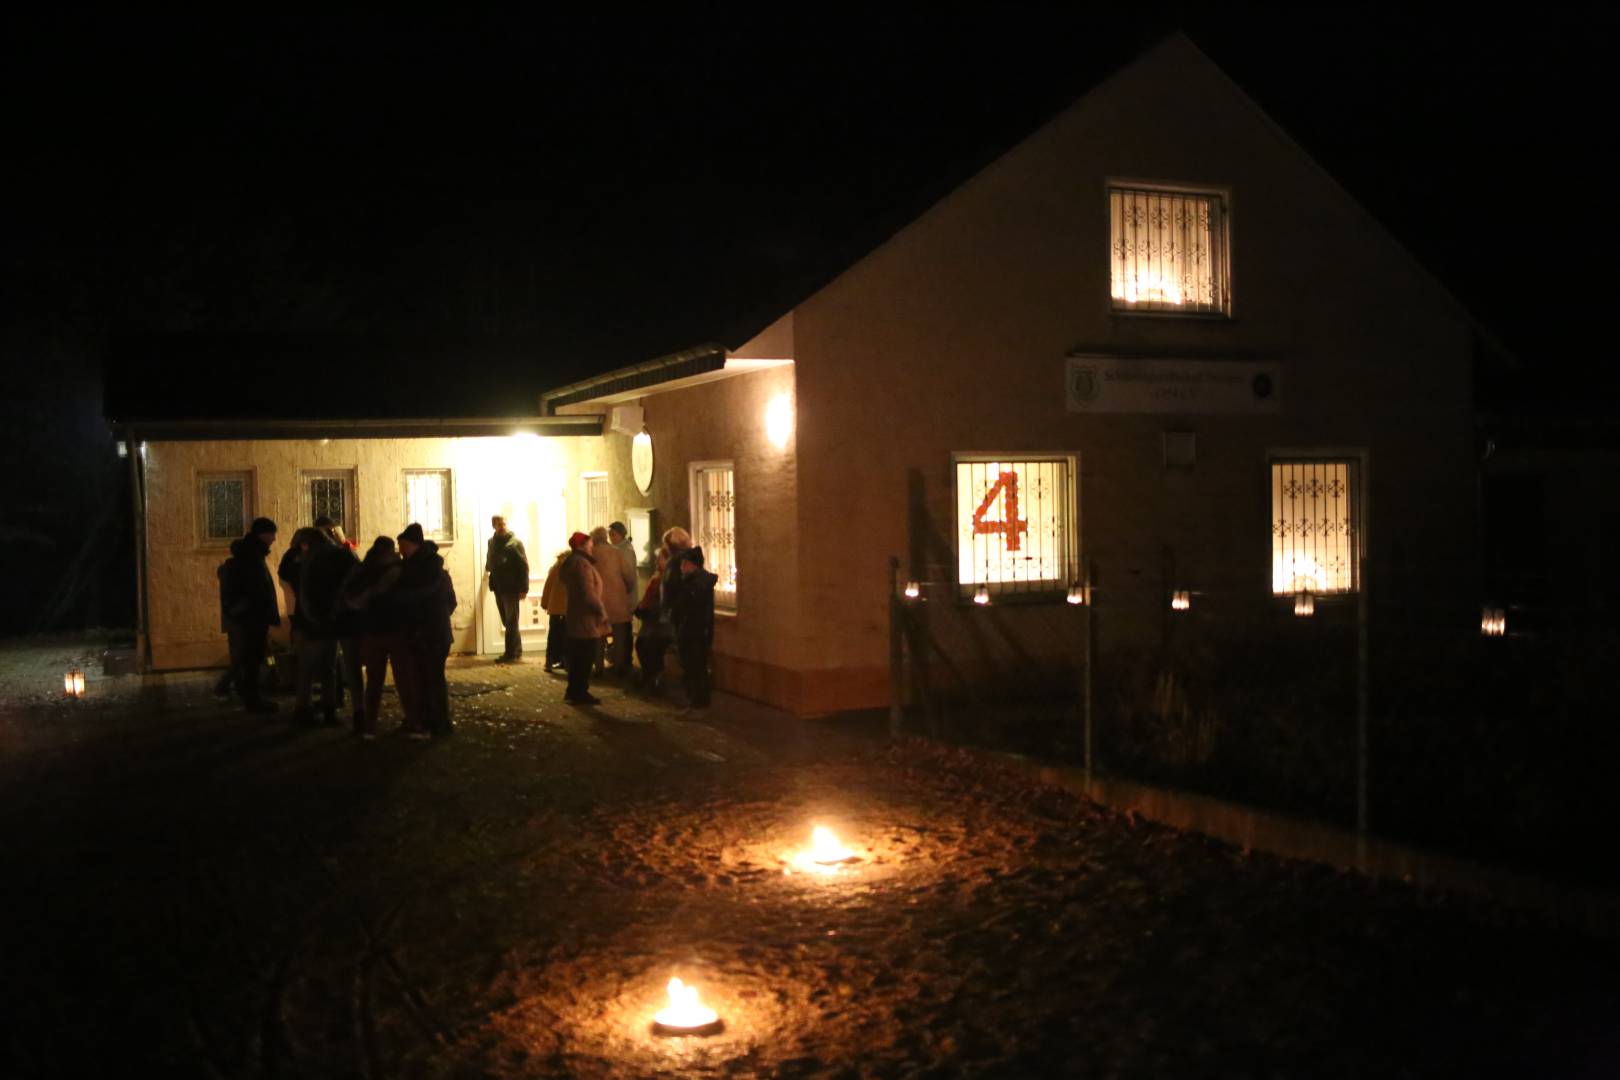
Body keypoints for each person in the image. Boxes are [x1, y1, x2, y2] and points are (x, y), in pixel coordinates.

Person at [396, 522, 458, 738]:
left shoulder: (415, 572)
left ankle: (434, 722)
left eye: (403, 545)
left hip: (426, 632)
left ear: (412, 545)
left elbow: (413, 600)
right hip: (437, 632)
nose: (401, 551)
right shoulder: (438, 571)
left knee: (427, 679)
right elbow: (451, 602)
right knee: (432, 678)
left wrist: (424, 622)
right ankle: (437, 721)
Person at [340, 536, 404, 740]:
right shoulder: (396, 569)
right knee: (401, 678)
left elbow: (349, 596)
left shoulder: (364, 569)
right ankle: (412, 722)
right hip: (390, 628)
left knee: (373, 681)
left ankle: (368, 723)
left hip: (369, 628)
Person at [295, 525, 358, 727]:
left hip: (314, 620)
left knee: (308, 667)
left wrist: (311, 615)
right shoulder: (342, 555)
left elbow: (304, 591)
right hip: (334, 618)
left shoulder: (309, 560)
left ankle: (303, 708)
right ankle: (329, 709)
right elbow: (356, 572)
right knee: (329, 666)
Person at [219, 517, 281, 713]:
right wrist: (259, 609)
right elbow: (255, 588)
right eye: (272, 534)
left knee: (250, 657)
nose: (274, 539)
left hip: (252, 615)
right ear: (262, 534)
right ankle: (252, 700)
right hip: (253, 617)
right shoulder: (251, 557)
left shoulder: (251, 554)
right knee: (252, 658)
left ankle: (248, 696)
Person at [665, 541, 717, 716]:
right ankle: (695, 703)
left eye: (684, 564)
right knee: (692, 668)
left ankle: (699, 705)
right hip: (690, 630)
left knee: (696, 669)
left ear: (693, 565)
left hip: (695, 632)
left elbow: (692, 608)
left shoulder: (697, 584)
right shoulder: (691, 582)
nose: (681, 568)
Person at [559, 530, 609, 705]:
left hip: (577, 616)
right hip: (585, 618)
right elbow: (587, 593)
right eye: (590, 544)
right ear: (582, 545)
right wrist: (600, 611)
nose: (592, 546)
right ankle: (579, 692)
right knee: (584, 657)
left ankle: (575, 690)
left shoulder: (574, 562)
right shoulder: (581, 564)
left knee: (579, 656)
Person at [486, 514, 530, 663]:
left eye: (504, 524)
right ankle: (516, 650)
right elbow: (489, 560)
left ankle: (510, 653)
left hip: (511, 587)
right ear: (494, 526)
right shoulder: (491, 542)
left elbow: (523, 566)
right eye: (499, 524)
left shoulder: (515, 543)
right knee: (507, 620)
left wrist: (524, 588)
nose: (502, 526)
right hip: (498, 586)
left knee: (511, 621)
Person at [591, 526, 633, 678]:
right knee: (619, 635)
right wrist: (627, 588)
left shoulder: (590, 555)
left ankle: (598, 667)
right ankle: (619, 667)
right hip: (618, 599)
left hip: (598, 599)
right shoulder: (617, 552)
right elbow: (628, 575)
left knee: (599, 636)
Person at [633, 547, 670, 695]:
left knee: (649, 648)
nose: (656, 562)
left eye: (659, 559)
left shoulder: (663, 579)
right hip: (653, 623)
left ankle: (652, 679)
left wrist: (645, 609)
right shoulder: (658, 577)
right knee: (644, 646)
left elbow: (659, 602)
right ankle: (650, 678)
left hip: (658, 624)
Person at [539, 549, 571, 673]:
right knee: (567, 636)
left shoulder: (556, 567)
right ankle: (566, 661)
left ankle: (549, 662)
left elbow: (548, 585)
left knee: (553, 635)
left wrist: (545, 603)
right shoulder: (574, 568)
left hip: (555, 608)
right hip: (569, 608)